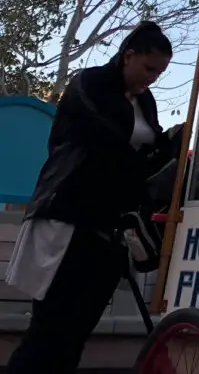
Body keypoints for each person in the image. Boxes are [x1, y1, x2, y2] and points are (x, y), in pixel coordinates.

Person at [4, 22, 175, 374]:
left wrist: (173, 143)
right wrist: (147, 163)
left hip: (110, 228)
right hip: (69, 216)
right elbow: (103, 143)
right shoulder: (90, 83)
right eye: (149, 68)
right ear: (128, 55)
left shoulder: (145, 101)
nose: (153, 78)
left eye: (159, 72)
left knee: (77, 333)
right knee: (50, 331)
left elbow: (150, 151)